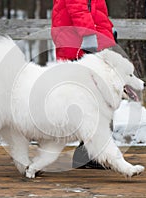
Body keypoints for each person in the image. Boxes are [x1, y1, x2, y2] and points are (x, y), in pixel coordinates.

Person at [51, 0, 118, 169]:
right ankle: (89, 154)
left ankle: (89, 153)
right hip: (80, 45)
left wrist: (108, 30)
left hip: (83, 42)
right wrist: (89, 36)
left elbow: (95, 10)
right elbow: (78, 8)